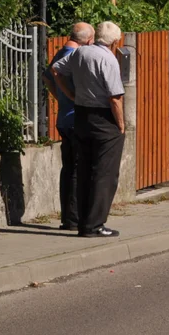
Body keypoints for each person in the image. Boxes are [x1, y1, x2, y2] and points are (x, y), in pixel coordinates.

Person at [52, 21, 126, 238]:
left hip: (82, 115)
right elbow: (115, 98)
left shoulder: (80, 52)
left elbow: (56, 70)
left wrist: (71, 95)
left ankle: (83, 222)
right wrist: (121, 125)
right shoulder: (108, 59)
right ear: (114, 42)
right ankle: (95, 225)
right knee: (105, 173)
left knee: (84, 170)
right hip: (103, 118)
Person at [41, 23, 94, 231]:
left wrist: (61, 99)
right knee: (78, 169)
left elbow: (48, 76)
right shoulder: (74, 56)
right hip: (75, 119)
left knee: (69, 168)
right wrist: (71, 98)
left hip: (64, 117)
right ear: (88, 40)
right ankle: (74, 218)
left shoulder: (62, 51)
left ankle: (68, 218)